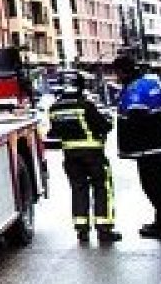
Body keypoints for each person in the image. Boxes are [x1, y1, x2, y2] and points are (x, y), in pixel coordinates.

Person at [47, 72, 121, 243]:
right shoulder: (85, 106)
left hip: (70, 156)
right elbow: (104, 126)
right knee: (102, 188)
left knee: (78, 189)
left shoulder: (54, 108)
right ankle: (104, 229)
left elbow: (54, 132)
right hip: (93, 154)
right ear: (81, 86)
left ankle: (82, 230)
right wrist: (108, 120)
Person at [113, 53, 161, 239]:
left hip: (147, 149)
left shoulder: (134, 90)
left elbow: (137, 118)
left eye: (117, 73)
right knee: (160, 185)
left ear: (123, 72)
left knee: (153, 186)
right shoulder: (151, 82)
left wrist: (131, 140)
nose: (117, 77)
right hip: (160, 144)